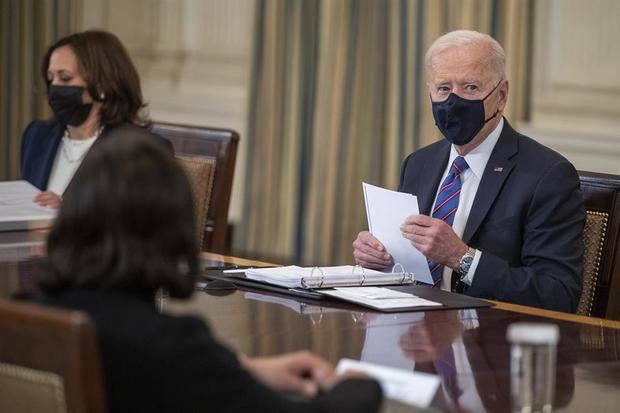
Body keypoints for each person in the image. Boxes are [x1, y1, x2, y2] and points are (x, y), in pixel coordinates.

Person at [31, 127, 382, 413]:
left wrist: (242, 369)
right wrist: (360, 383)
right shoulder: (167, 345)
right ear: (172, 233)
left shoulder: (33, 313)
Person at [353, 30, 585, 312]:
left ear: (501, 95)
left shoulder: (548, 175)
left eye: (471, 88)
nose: (454, 101)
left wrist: (462, 258)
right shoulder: (418, 164)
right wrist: (380, 259)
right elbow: (407, 268)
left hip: (487, 341)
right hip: (409, 329)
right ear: (430, 93)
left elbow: (557, 294)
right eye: (443, 89)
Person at [20, 29, 170, 208]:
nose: (54, 87)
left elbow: (142, 226)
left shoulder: (142, 150)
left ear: (101, 85)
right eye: (50, 78)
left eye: (65, 78)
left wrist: (70, 213)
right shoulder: (37, 135)